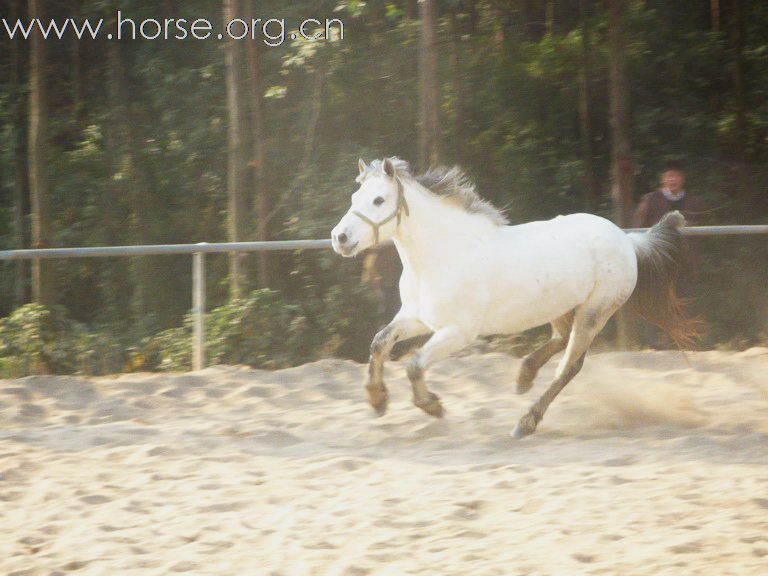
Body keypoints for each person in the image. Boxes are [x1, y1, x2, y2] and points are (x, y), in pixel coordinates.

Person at [632, 163, 706, 348]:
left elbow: (701, 229)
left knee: (685, 299)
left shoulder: (694, 201)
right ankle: (654, 344)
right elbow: (638, 227)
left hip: (684, 262)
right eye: (669, 176)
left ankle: (683, 342)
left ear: (682, 179)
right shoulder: (650, 200)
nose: (672, 179)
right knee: (654, 299)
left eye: (676, 175)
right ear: (663, 179)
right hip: (657, 261)